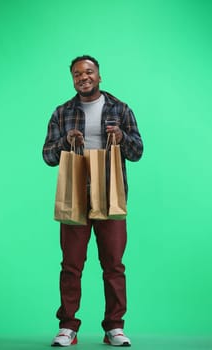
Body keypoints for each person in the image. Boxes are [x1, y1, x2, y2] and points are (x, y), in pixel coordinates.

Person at [42, 55, 143, 347]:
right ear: (72, 79)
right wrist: (64, 142)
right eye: (76, 74)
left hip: (111, 196)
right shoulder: (62, 113)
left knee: (114, 265)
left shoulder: (120, 109)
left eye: (88, 72)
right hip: (76, 197)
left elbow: (137, 152)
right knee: (71, 265)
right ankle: (67, 327)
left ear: (99, 76)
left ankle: (114, 327)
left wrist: (122, 136)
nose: (83, 77)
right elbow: (47, 156)